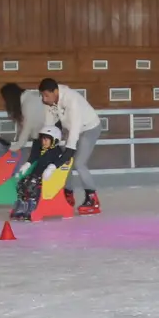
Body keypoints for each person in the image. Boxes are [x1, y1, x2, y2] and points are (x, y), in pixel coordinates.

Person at [39, 78, 103, 215]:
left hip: (89, 128)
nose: (44, 99)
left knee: (79, 163)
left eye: (46, 95)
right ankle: (67, 193)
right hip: (72, 128)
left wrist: (69, 148)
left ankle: (92, 198)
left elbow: (75, 128)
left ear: (55, 91)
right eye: (42, 95)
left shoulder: (71, 100)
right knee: (65, 161)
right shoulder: (49, 102)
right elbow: (49, 125)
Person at [10, 125, 72, 222]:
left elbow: (61, 163)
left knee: (32, 185)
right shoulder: (43, 151)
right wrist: (27, 165)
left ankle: (33, 205)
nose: (44, 142)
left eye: (47, 140)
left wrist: (51, 169)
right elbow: (34, 158)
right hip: (37, 176)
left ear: (55, 140)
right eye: (43, 140)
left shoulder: (56, 152)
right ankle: (22, 204)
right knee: (22, 183)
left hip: (49, 179)